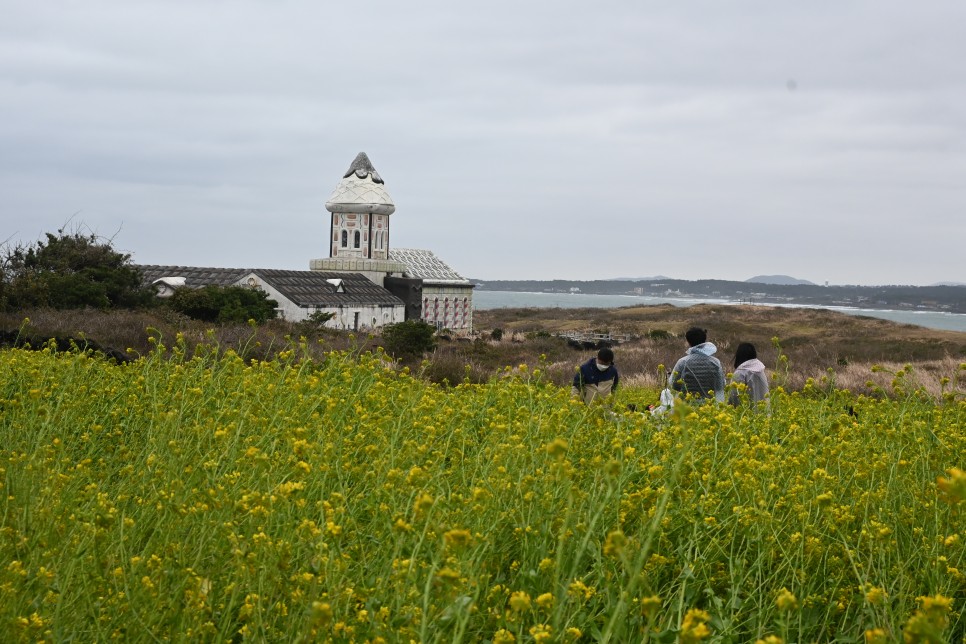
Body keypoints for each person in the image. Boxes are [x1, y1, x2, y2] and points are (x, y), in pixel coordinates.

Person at [669, 327, 725, 402]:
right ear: (704, 340)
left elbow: (674, 384)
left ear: (688, 341)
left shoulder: (683, 362)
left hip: (686, 407)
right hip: (710, 406)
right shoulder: (715, 362)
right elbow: (721, 385)